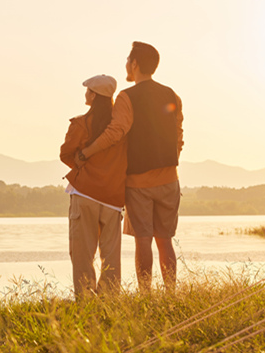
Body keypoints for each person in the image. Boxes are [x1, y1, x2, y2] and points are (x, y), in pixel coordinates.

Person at [77, 42, 183, 293]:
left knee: (143, 241)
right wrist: (171, 158)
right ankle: (171, 295)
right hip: (170, 179)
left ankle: (146, 294)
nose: (126, 64)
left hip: (138, 183)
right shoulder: (172, 95)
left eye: (128, 59)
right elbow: (179, 135)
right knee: (165, 241)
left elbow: (116, 132)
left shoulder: (127, 96)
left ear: (135, 64)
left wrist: (87, 152)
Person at [60, 74, 127, 297]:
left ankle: (86, 300)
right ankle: (110, 300)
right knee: (111, 255)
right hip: (113, 197)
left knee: (82, 253)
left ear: (94, 95)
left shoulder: (80, 124)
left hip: (85, 194)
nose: (85, 94)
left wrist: (82, 163)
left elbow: (66, 154)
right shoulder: (122, 130)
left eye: (88, 90)